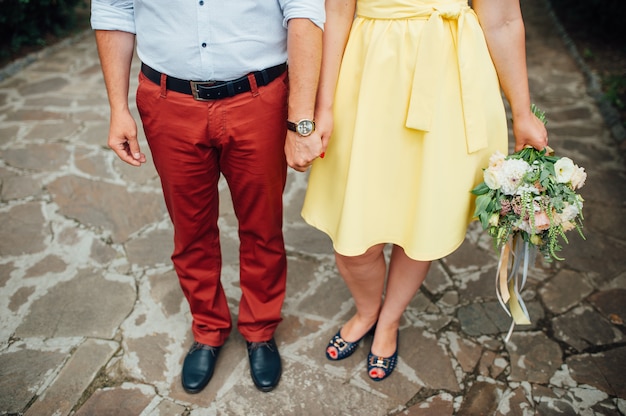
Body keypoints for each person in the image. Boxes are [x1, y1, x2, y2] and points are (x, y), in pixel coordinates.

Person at [300, 0, 549, 381]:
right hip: (368, 81)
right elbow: (336, 14)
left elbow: (502, 19)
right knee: (354, 245)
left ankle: (388, 319)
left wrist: (522, 112)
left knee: (421, 223)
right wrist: (325, 105)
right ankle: (367, 310)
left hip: (451, 83)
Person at [91, 1, 324, 393]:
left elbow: (303, 9)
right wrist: (118, 107)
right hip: (168, 102)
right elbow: (114, 10)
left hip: (259, 99)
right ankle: (208, 328)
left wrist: (301, 121)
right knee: (190, 228)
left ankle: (260, 328)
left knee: (262, 224)